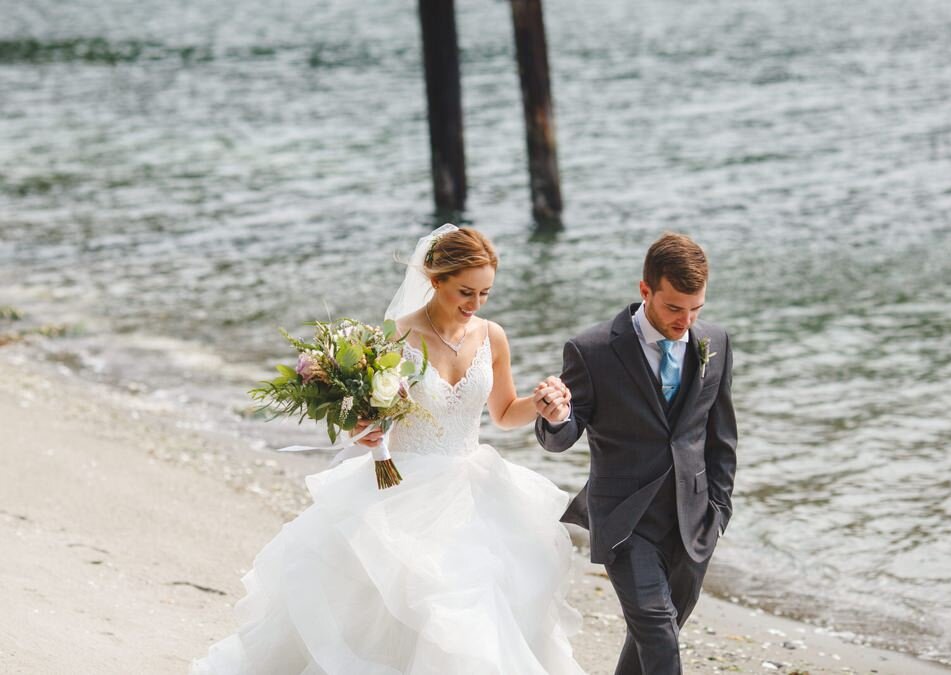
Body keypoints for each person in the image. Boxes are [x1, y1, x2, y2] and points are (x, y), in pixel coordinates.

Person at [193, 225, 586, 674]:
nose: (475, 304)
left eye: (485, 294)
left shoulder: (492, 336)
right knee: (390, 603)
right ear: (435, 279)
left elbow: (503, 413)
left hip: (473, 486)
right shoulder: (398, 336)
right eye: (465, 292)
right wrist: (363, 432)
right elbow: (369, 420)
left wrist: (543, 408)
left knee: (474, 603)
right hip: (402, 485)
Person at [533, 232, 738, 675]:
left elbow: (722, 437)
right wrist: (554, 416)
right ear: (645, 290)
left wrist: (719, 510)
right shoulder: (591, 350)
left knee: (653, 638)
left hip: (694, 522)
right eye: (674, 308)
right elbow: (562, 435)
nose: (686, 321)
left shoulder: (715, 342)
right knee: (658, 631)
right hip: (626, 521)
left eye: (696, 309)